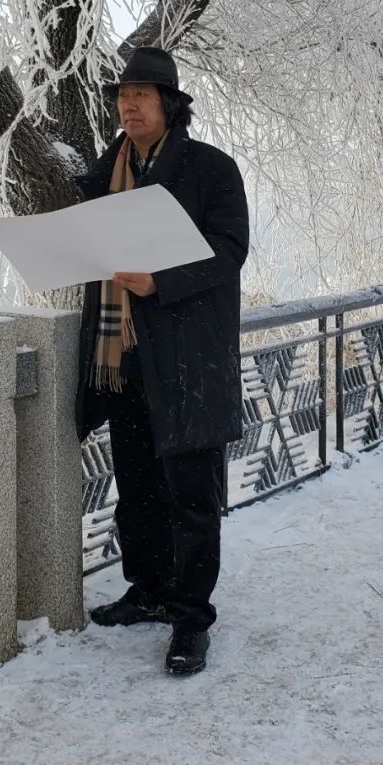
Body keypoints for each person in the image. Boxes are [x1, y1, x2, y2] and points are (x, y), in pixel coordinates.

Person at [75, 46, 249, 676]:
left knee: (191, 497)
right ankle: (147, 589)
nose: (129, 105)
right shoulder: (107, 170)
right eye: (122, 96)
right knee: (138, 492)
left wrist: (161, 282)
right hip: (120, 359)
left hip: (185, 361)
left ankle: (190, 620)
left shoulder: (210, 171)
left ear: (169, 105)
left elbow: (229, 250)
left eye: (141, 96)